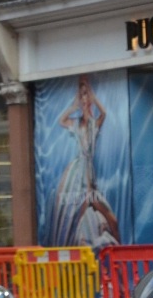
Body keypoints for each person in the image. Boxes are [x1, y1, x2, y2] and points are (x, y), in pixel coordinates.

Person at [50, 74, 121, 247]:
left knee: (112, 219)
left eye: (86, 94)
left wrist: (92, 96)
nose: (84, 99)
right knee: (76, 219)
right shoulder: (77, 123)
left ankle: (119, 254)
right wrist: (75, 104)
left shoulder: (93, 124)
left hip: (90, 176)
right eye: (82, 95)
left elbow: (103, 113)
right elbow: (61, 121)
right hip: (78, 176)